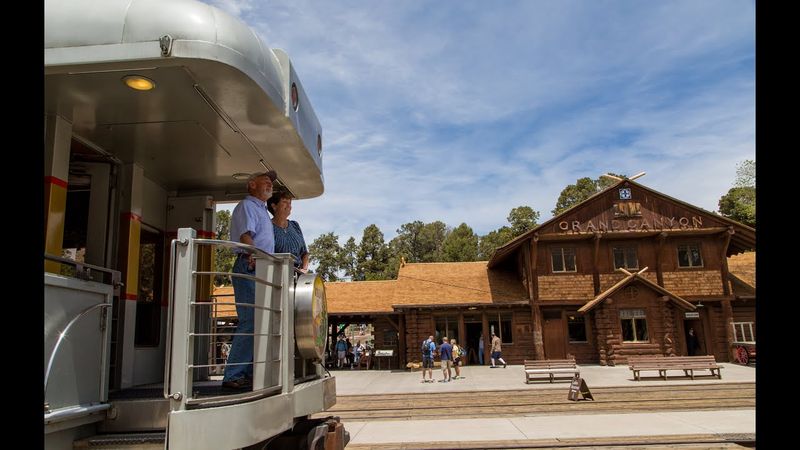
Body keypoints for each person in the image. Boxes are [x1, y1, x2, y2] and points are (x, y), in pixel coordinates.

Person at [223, 170, 277, 390]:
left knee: (260, 321)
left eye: (270, 183)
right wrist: (254, 255)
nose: (269, 186)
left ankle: (247, 372)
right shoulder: (247, 206)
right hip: (250, 264)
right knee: (251, 320)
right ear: (251, 185)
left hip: (262, 268)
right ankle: (233, 374)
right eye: (265, 182)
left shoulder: (262, 210)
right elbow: (246, 236)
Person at [267, 191, 309, 274]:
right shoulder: (267, 227)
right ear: (274, 206)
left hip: (298, 275)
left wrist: (304, 269)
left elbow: (304, 253)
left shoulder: (295, 225)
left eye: (290, 203)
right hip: (276, 275)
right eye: (284, 202)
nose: (289, 205)